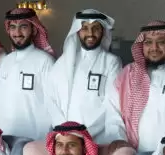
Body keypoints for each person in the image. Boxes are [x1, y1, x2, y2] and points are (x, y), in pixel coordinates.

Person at [106, 21, 165, 152]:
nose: (154, 47)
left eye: (161, 42)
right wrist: (121, 143)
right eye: (148, 42)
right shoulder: (128, 74)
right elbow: (113, 111)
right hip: (137, 153)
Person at [46, 10, 122, 145]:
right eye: (85, 28)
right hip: (65, 138)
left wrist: (84, 134)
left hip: (98, 139)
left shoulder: (111, 62)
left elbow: (112, 104)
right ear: (77, 31)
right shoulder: (63, 63)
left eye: (95, 28)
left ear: (103, 31)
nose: (90, 33)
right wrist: (66, 130)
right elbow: (50, 99)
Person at [0, 7, 55, 140]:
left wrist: (44, 139)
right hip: (4, 136)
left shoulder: (45, 61)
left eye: (23, 27)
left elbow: (53, 103)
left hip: (34, 138)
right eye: (13, 27)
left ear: (34, 29)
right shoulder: (6, 60)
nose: (17, 32)